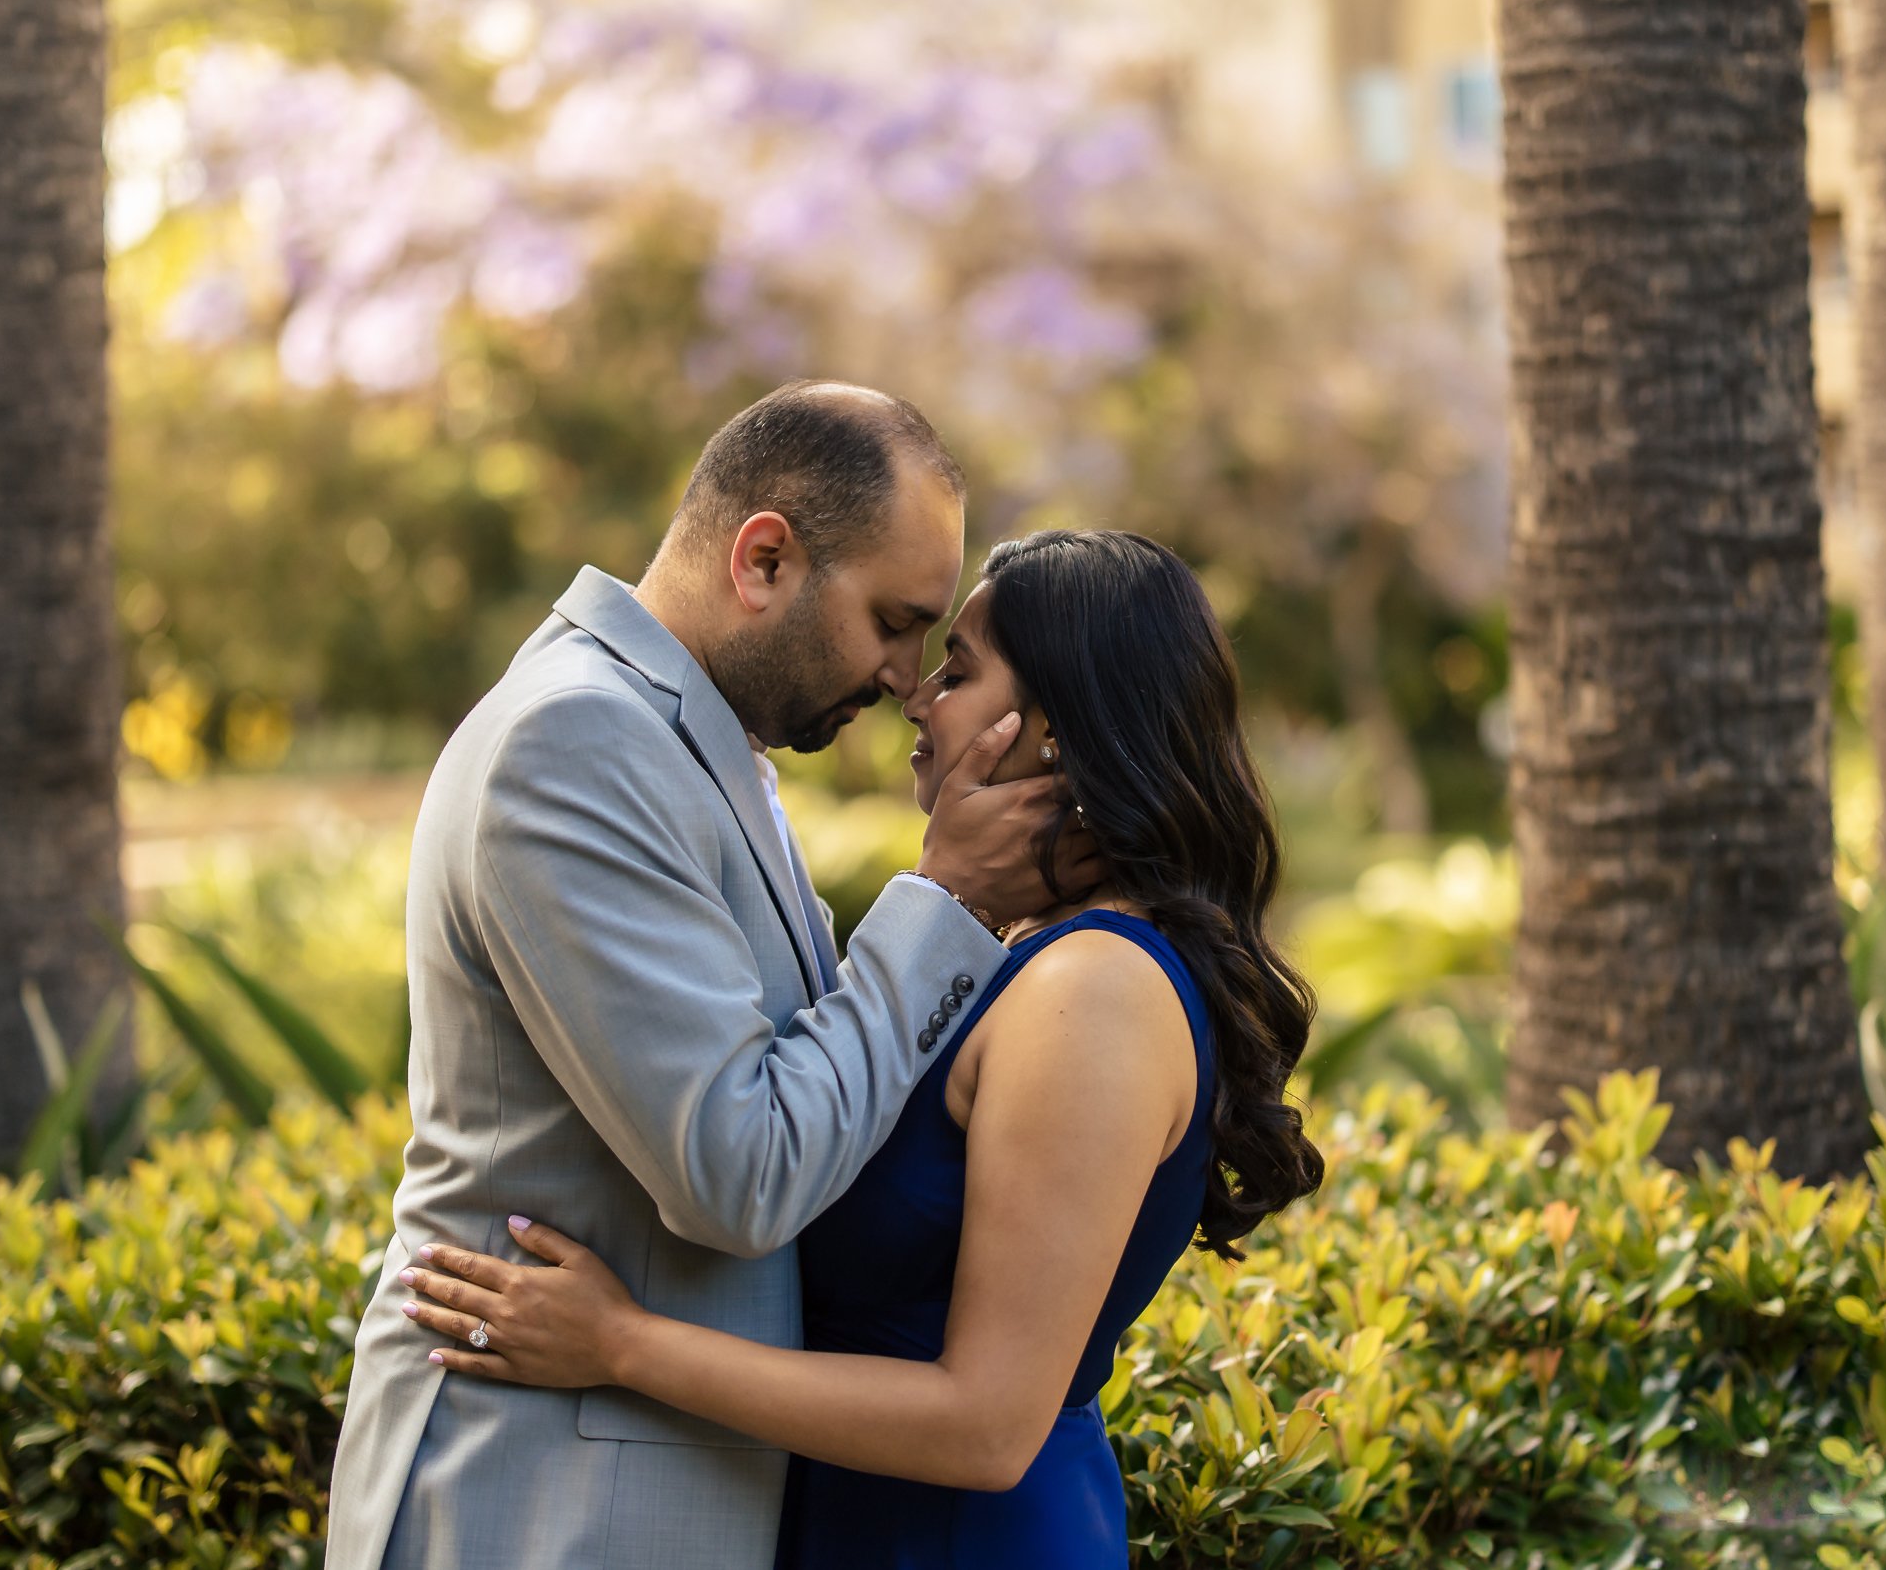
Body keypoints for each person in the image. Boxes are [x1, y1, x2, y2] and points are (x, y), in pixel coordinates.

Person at [389, 529, 1325, 1568]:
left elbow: (985, 1422)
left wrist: (623, 1343)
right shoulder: (1027, 950)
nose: (917, 699)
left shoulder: (1092, 988)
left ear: (1054, 726)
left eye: (957, 671)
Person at [323, 383, 1095, 1570]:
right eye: (893, 621)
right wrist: (948, 901)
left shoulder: (693, 741)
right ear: (766, 557)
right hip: (541, 1499)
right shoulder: (574, 743)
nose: (904, 675)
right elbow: (742, 1167)